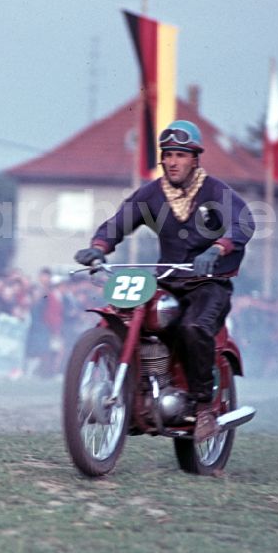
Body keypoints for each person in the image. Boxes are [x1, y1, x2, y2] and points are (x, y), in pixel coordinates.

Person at [74, 119, 255, 431]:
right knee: (125, 318)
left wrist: (217, 249)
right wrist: (99, 247)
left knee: (193, 326)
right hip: (168, 280)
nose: (172, 161)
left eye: (181, 155)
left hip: (208, 285)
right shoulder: (152, 195)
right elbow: (119, 223)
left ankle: (202, 407)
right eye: (168, 154)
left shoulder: (214, 191)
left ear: (195, 158)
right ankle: (134, 389)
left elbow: (244, 222)